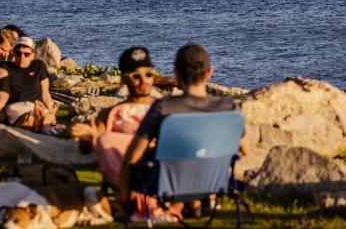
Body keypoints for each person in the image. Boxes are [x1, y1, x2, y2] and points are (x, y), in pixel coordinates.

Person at [119, 44, 244, 206]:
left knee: (129, 165)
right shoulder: (229, 107)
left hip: (167, 185)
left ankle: (124, 210)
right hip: (214, 182)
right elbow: (244, 148)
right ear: (209, 73)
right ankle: (199, 204)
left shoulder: (163, 108)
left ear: (176, 75)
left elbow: (133, 156)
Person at [71, 47, 158, 188]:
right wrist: (88, 137)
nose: (144, 81)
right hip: (127, 175)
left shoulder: (164, 108)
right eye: (136, 76)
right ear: (124, 79)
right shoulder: (111, 114)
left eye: (149, 74)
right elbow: (89, 147)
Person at [0, 36, 59, 133]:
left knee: (46, 116)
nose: (22, 57)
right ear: (13, 53)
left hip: (36, 105)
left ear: (32, 55)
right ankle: (45, 130)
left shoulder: (39, 66)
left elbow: (45, 93)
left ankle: (48, 131)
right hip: (15, 106)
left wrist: (50, 110)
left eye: (26, 54)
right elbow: (1, 92)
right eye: (18, 53)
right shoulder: (5, 67)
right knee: (33, 116)